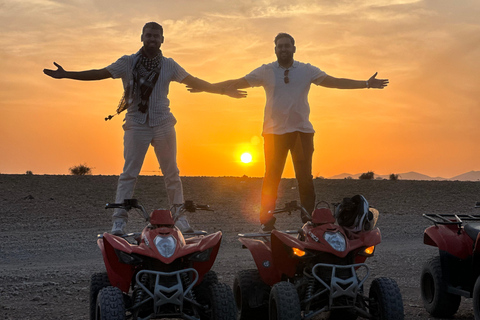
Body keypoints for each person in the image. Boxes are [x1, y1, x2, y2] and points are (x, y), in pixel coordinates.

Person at [44, 22, 246, 235]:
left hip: (163, 124)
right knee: (129, 173)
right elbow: (99, 73)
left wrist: (223, 91)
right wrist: (66, 74)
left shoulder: (170, 65)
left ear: (162, 40)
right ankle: (119, 221)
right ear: (141, 37)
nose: (152, 39)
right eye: (148, 35)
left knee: (172, 173)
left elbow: (196, 81)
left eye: (156, 36)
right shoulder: (127, 62)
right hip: (136, 124)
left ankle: (179, 218)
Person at [190, 32, 388, 231]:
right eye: (280, 46)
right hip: (274, 134)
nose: (283, 49)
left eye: (287, 46)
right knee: (272, 177)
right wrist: (207, 87)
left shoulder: (306, 70)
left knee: (304, 178)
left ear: (294, 48)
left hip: (301, 133)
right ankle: (266, 221)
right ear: (275, 49)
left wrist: (366, 84)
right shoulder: (266, 71)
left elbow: (334, 81)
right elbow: (238, 81)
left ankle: (310, 221)